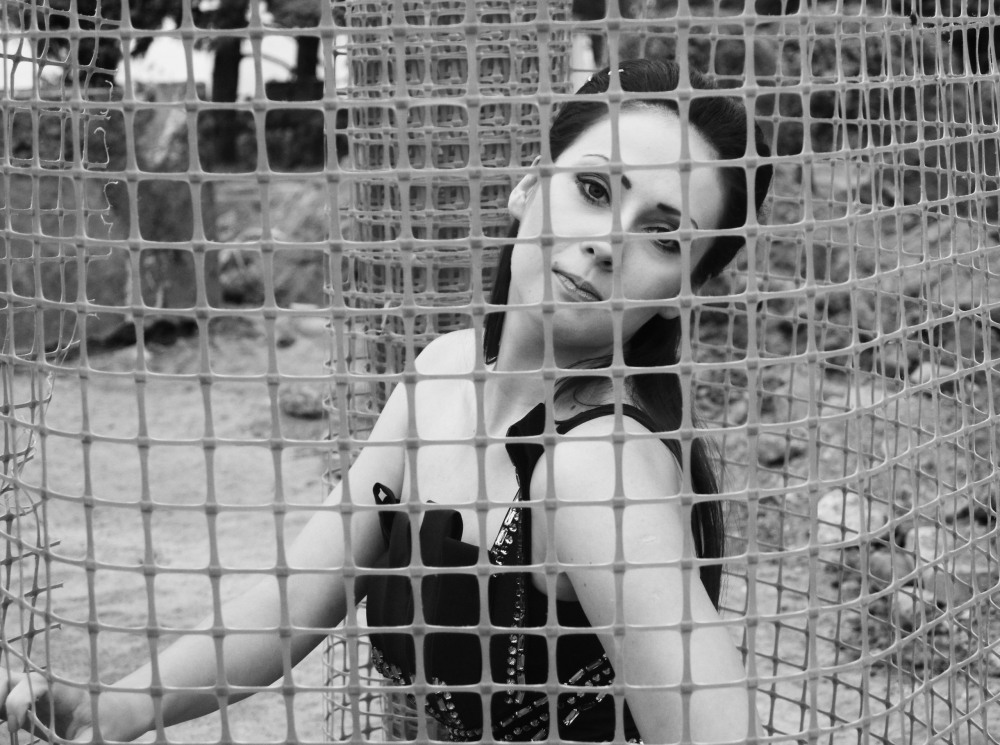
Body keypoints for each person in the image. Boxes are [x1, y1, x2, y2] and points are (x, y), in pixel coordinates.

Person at [1, 58, 772, 744]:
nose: (608, 243)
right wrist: (116, 708)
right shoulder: (444, 373)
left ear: (686, 288)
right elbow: (301, 593)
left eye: (663, 237)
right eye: (594, 189)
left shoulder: (599, 465)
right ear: (529, 187)